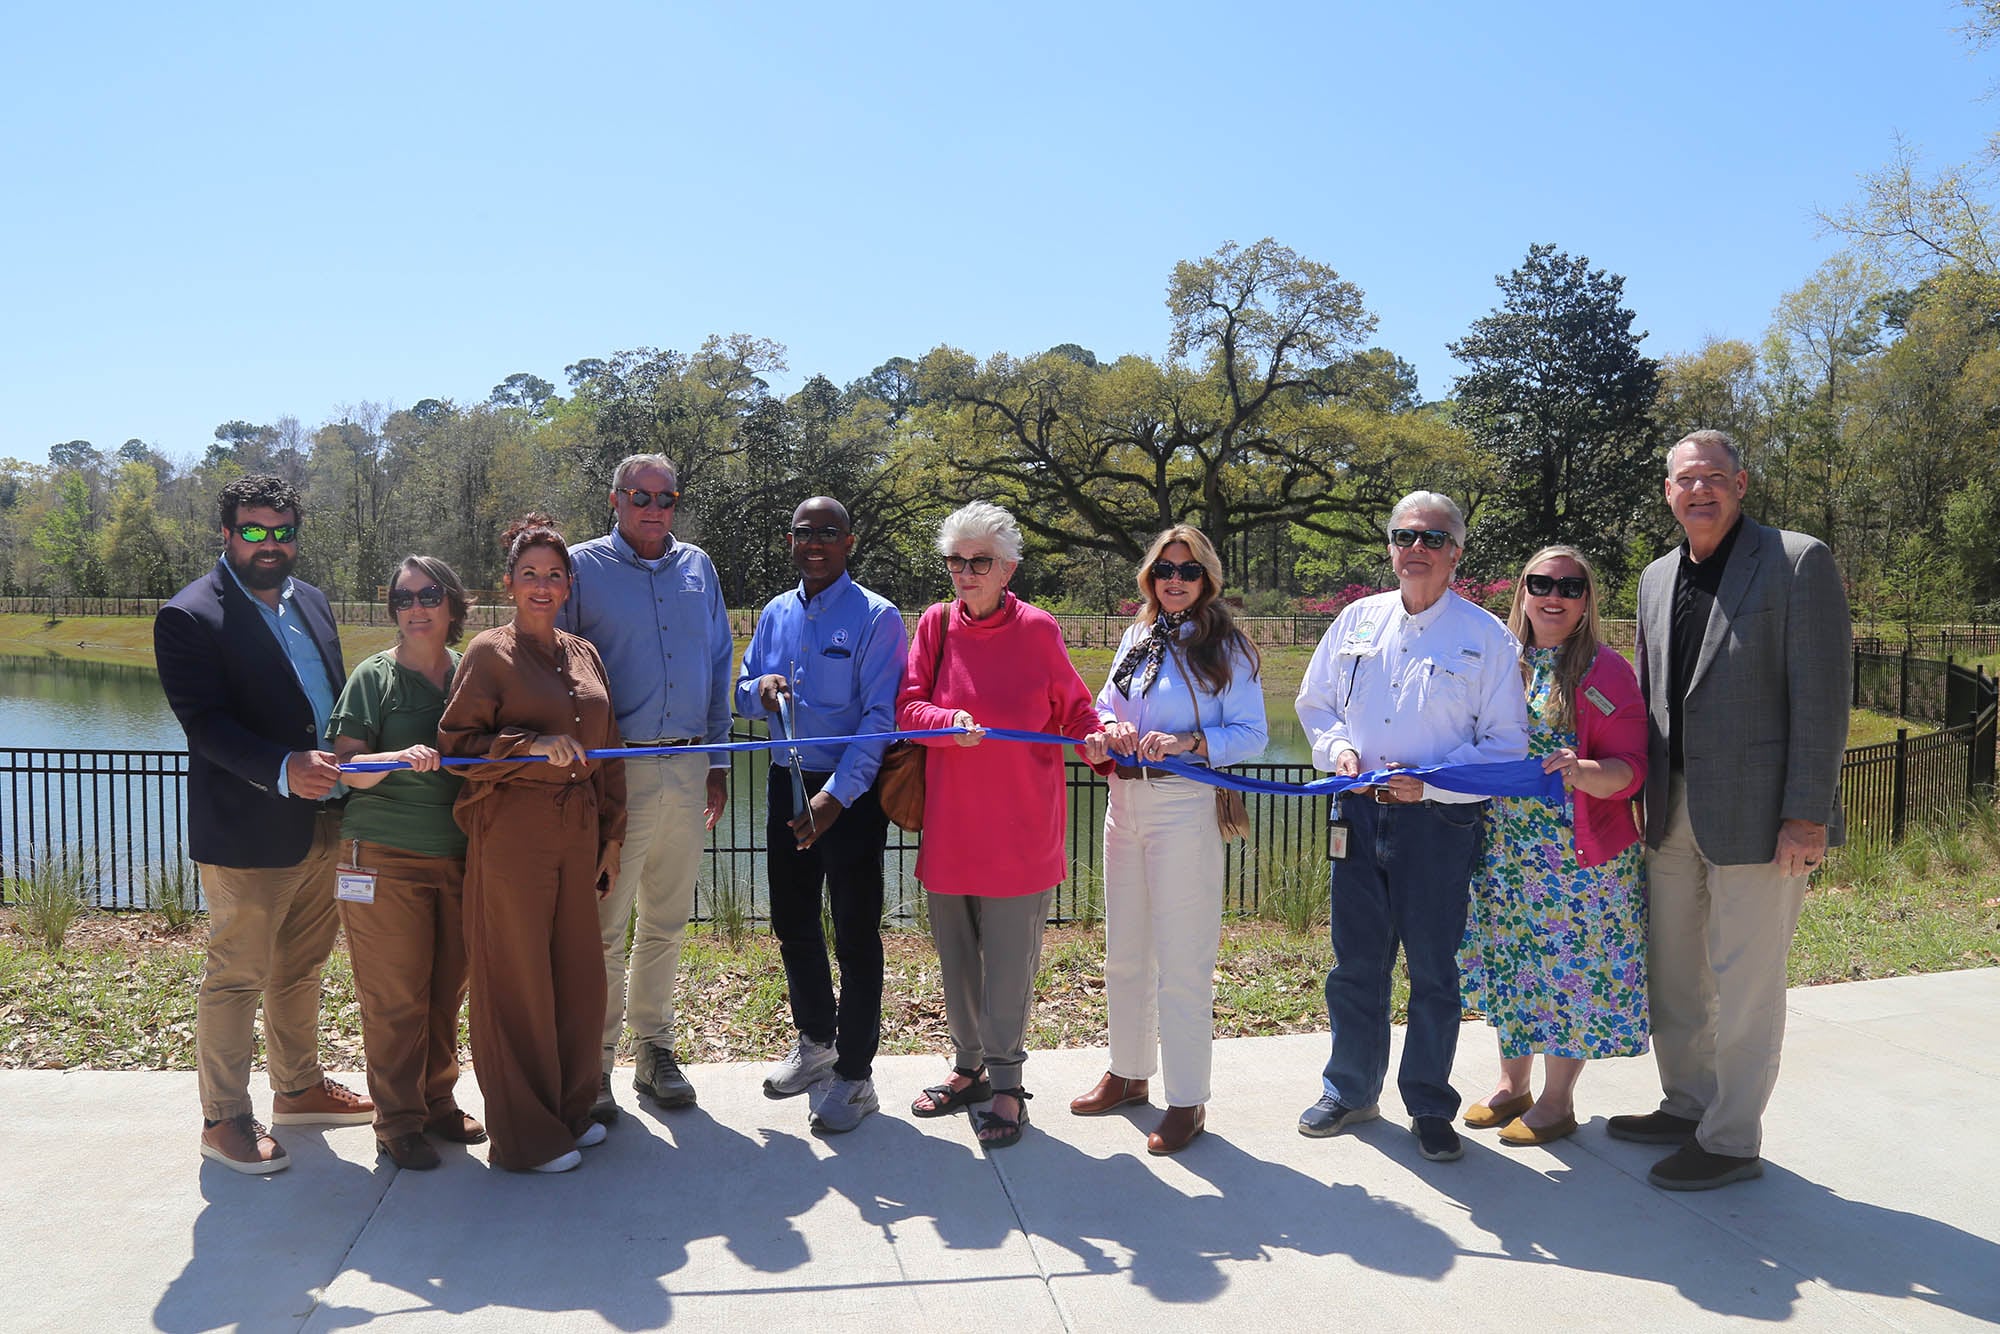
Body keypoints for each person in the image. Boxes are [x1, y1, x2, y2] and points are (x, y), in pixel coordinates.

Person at [1611, 429, 1851, 1191]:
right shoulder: (1654, 578)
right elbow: (1653, 696)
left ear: (1742, 484)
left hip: (1760, 814)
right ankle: (1688, 1103)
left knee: (1747, 982)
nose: (1700, 490)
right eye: (1686, 479)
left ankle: (1732, 1138)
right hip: (1669, 806)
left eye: (1715, 476)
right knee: (1676, 972)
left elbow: (1822, 698)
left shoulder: (1796, 561)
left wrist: (1807, 812)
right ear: (1668, 492)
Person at [1293, 491, 1530, 1164]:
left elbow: (1505, 744)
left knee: (1433, 972)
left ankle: (1428, 1102)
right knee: (1355, 965)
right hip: (1358, 816)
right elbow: (1315, 706)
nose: (1415, 549)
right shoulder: (1357, 621)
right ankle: (1351, 1089)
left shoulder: (1485, 638)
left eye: (1431, 538)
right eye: (1404, 536)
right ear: (1390, 547)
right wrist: (1337, 750)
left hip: (1437, 826)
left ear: (1456, 552)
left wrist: (1432, 781)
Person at [155, 474, 374, 1174]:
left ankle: (300, 1088)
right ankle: (223, 1120)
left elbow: (329, 700)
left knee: (302, 967)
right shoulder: (190, 615)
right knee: (238, 975)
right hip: (249, 829)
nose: (269, 544)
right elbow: (205, 726)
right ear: (226, 534)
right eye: (253, 531)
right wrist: (283, 767)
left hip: (323, 821)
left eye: (282, 532)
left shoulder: (310, 600)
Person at [897, 501, 1111, 1148]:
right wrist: (947, 725)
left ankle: (1009, 1084)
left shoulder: (1040, 631)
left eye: (979, 561)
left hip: (1021, 834)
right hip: (951, 829)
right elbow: (908, 709)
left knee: (1009, 970)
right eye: (955, 560)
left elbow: (1075, 710)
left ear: (1008, 567)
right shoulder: (934, 626)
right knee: (957, 963)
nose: (964, 572)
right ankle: (969, 1071)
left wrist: (1097, 738)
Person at [439, 515, 626, 1173]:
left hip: (577, 836)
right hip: (511, 835)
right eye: (530, 576)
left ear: (569, 583)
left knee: (577, 979)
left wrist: (611, 835)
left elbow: (610, 753)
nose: (542, 587)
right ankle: (525, 1138)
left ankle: (570, 1115)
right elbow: (456, 748)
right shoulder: (491, 654)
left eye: (553, 575)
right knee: (516, 981)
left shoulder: (585, 653)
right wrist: (529, 746)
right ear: (509, 584)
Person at [1077, 525, 1267, 1156]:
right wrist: (1105, 728)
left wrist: (1191, 743)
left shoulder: (1229, 647)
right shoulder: (1137, 635)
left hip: (1186, 805)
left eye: (1187, 571)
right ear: (1150, 577)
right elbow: (1106, 702)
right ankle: (1128, 1072)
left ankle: (1188, 1100)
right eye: (1165, 570)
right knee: (1125, 950)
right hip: (1124, 801)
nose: (1175, 581)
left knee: (1183, 962)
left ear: (1207, 578)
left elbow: (1253, 734)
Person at [1458, 546, 1648, 1148]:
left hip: (1577, 860)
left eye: (1569, 586)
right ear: (1522, 592)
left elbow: (1633, 769)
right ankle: (1513, 1085)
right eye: (1540, 583)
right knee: (1512, 966)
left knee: (1570, 974)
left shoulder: (1604, 671)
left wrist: (1584, 769)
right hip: (1504, 854)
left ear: (1586, 599)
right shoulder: (1499, 661)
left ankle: (1558, 1101)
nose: (1553, 596)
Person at [559, 453, 732, 1119]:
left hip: (689, 766)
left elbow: (718, 661)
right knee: (603, 925)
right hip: (616, 771)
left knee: (666, 919)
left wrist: (717, 759)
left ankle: (654, 1050)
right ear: (615, 499)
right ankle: (595, 1066)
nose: (653, 508)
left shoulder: (698, 568)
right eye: (640, 496)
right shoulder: (580, 568)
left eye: (666, 497)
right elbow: (560, 666)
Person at [735, 497, 908, 1133]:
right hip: (786, 781)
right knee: (794, 923)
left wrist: (836, 796)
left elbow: (880, 720)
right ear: (790, 540)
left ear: (849, 542)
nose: (816, 544)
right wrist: (761, 690)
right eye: (804, 533)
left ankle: (856, 1076)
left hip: (850, 798)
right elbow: (742, 692)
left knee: (857, 935)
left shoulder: (877, 617)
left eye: (828, 534)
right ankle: (817, 1045)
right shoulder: (777, 612)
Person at [326, 556, 486, 1171]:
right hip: (382, 859)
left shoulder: (472, 673)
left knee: (446, 991)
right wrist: (397, 756)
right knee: (396, 997)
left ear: (451, 604)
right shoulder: (375, 677)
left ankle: (437, 1101)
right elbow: (347, 769)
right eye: (403, 599)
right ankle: (396, 1122)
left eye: (427, 595)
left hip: (459, 858)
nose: (415, 608)